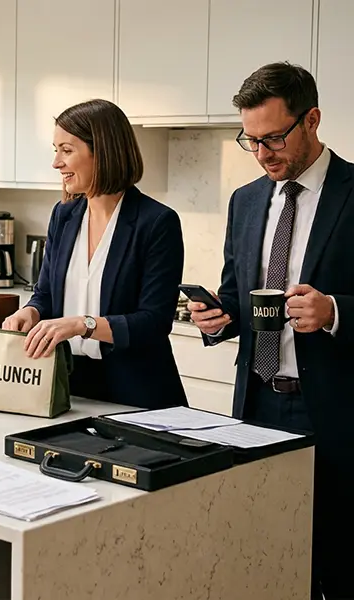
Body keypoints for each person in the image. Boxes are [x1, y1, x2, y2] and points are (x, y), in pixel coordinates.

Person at [188, 61, 354, 600]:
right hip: (255, 403)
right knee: (264, 555)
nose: (262, 155)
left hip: (333, 411)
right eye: (250, 141)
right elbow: (238, 294)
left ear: (312, 120)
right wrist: (219, 317)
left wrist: (334, 311)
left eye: (274, 138)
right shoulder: (247, 200)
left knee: (336, 558)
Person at [2, 99, 187, 408]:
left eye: (67, 150)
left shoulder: (156, 222)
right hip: (70, 388)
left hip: (137, 394)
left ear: (101, 151)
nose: (56, 163)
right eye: (55, 150)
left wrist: (81, 324)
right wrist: (31, 312)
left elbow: (153, 323)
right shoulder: (64, 216)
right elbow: (46, 293)